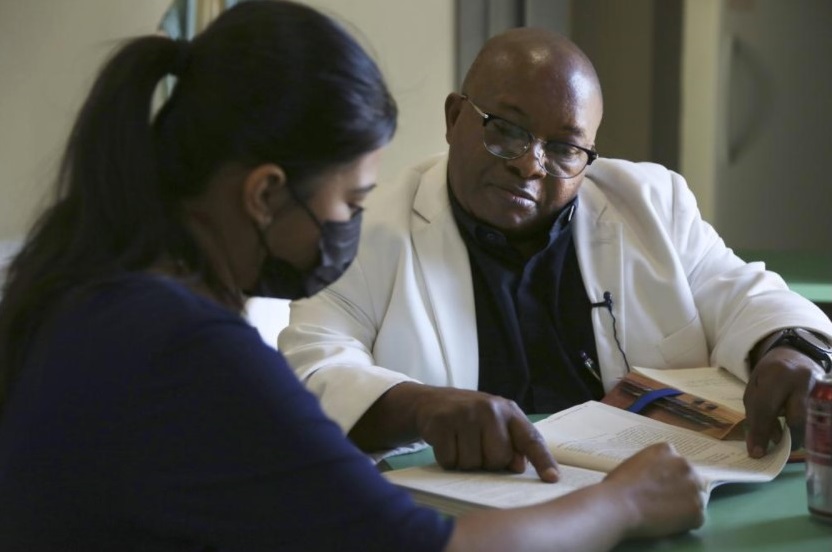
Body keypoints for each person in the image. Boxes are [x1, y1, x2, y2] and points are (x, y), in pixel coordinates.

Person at [0, 2, 704, 550]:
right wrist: (625, 503)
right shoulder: (185, 347)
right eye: (351, 202)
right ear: (265, 194)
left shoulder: (90, 286)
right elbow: (431, 547)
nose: (353, 227)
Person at [279, 26, 832, 475]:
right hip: (465, 516)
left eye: (565, 147)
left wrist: (792, 350)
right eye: (505, 130)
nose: (529, 164)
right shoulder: (369, 227)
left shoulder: (650, 203)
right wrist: (421, 407)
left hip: (645, 497)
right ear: (454, 119)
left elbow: (744, 294)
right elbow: (312, 367)